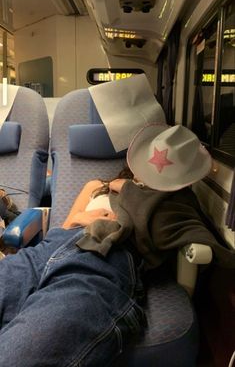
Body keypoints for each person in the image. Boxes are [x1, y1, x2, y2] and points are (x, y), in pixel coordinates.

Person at [0, 124, 234, 367]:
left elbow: (190, 234)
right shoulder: (95, 186)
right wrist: (87, 219)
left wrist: (134, 200)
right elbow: (66, 223)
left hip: (103, 260)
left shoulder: (168, 203)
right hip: (45, 251)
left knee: (20, 354)